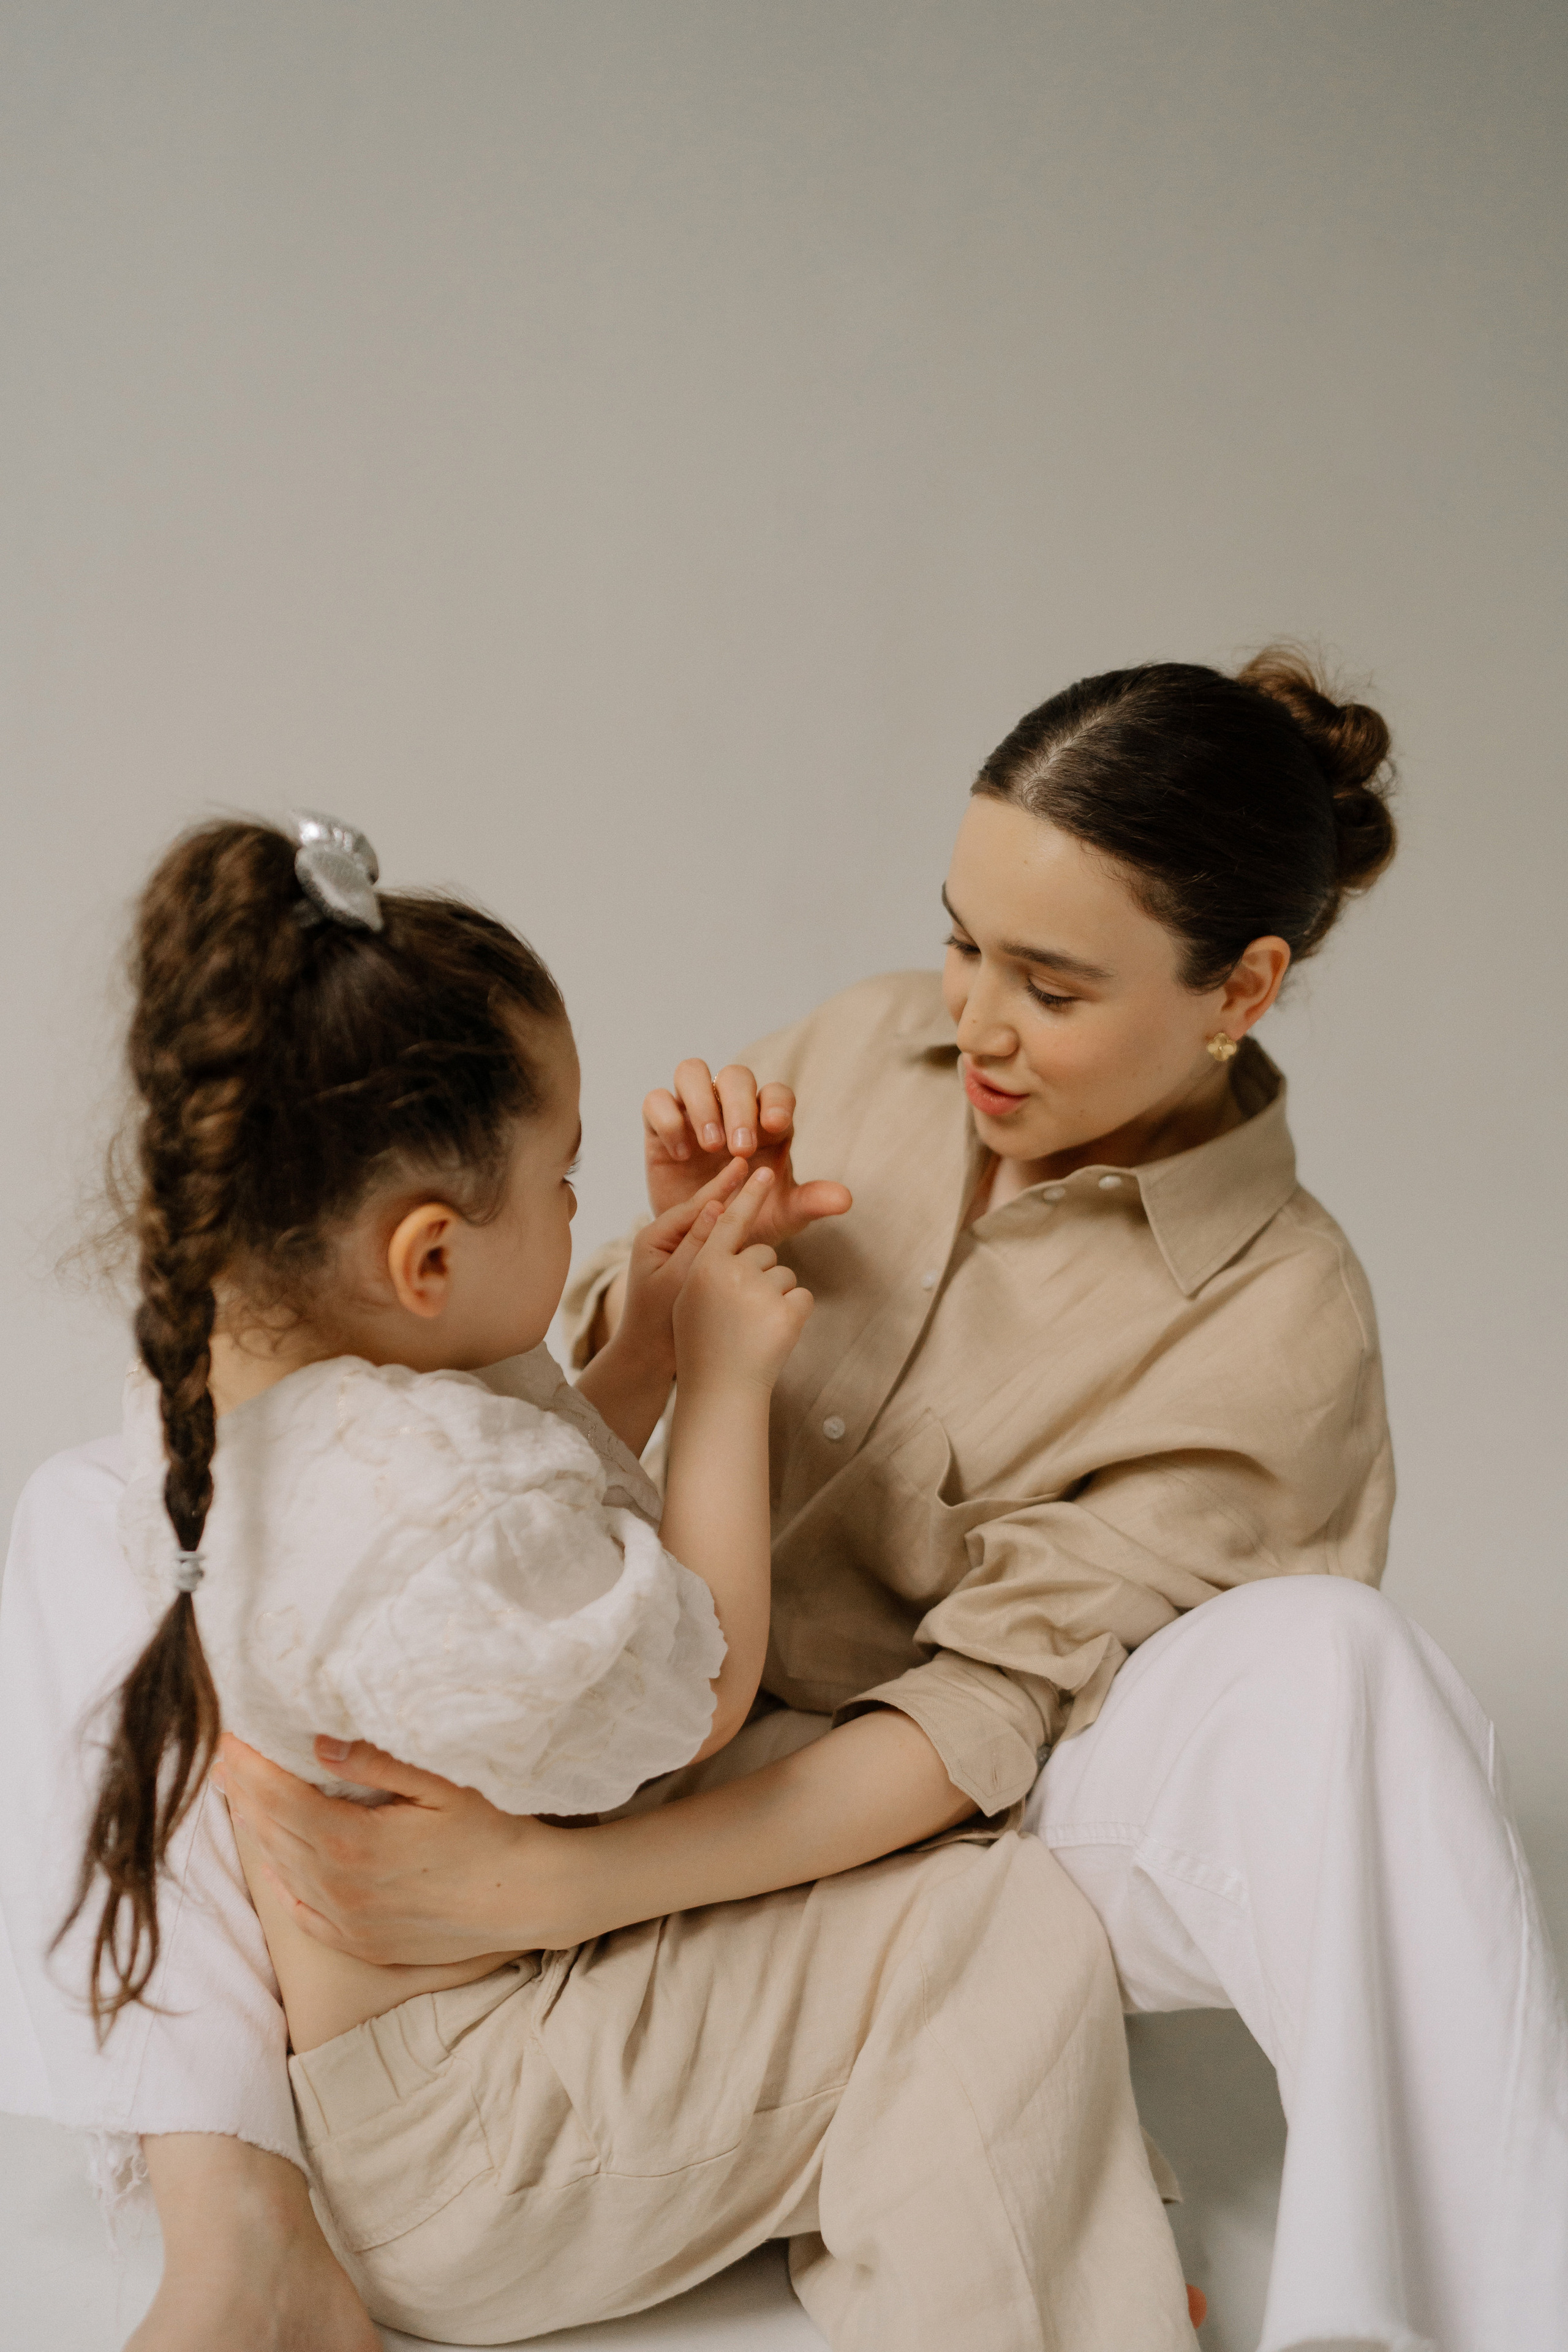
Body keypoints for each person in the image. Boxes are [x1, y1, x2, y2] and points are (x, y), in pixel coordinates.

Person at [1, 812, 1195, 2348]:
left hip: (389, 2085)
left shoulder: (242, 1404)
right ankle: (1022, 2305)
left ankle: (961, 2196)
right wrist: (724, 1386)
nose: (585, 1213)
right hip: (477, 2139)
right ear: (426, 1262)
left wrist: (631, 1356)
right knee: (994, 1921)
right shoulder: (442, 1514)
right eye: (563, 1179)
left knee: (856, 1820)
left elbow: (512, 1501)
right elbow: (696, 1683)